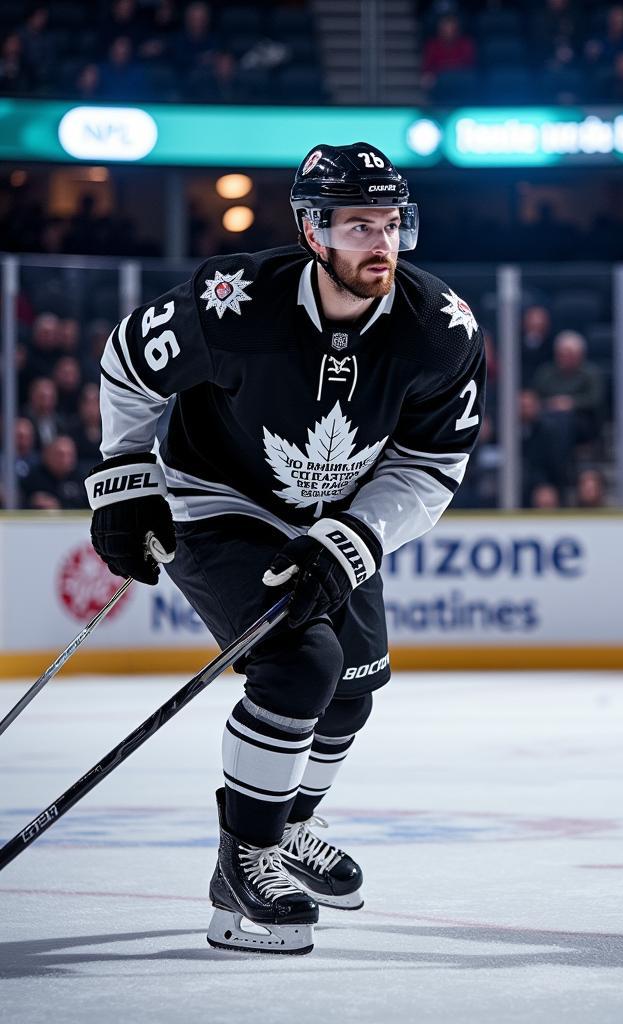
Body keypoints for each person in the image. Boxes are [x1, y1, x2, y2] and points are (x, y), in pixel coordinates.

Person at [85, 142, 485, 955]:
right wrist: (126, 478)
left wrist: (355, 537)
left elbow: (433, 465)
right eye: (360, 226)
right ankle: (243, 868)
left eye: (393, 224)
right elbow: (127, 364)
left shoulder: (439, 330)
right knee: (299, 663)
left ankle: (291, 825)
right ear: (313, 232)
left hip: (337, 515)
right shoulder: (233, 301)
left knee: (353, 688)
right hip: (220, 500)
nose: (383, 244)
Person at [22, 435, 86, 509]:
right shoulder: (33, 479)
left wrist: (59, 506)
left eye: (69, 455)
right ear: (48, 454)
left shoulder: (82, 479)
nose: (65, 460)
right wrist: (33, 502)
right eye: (60, 455)